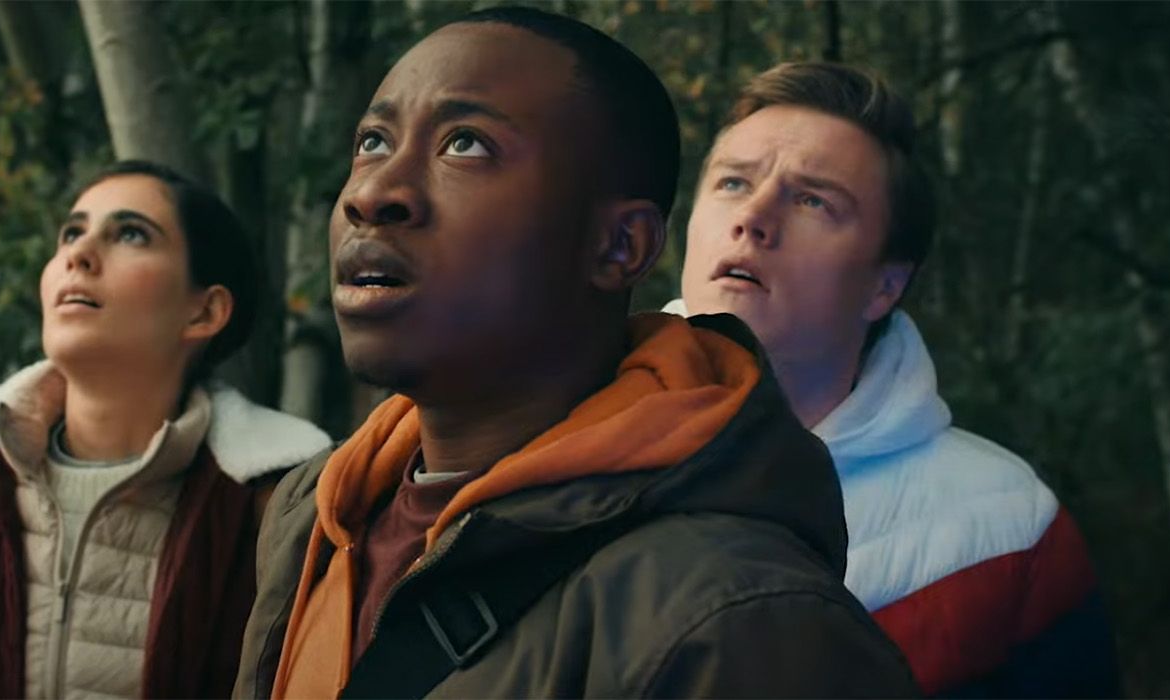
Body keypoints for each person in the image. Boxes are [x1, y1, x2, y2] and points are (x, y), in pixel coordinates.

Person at [235, 8, 916, 699]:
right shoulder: (314, 518)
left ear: (619, 247)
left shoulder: (743, 625)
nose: (373, 194)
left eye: (465, 145)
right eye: (373, 141)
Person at [666, 61, 1118, 696]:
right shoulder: (546, 439)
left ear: (885, 285)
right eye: (734, 183)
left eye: (812, 200)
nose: (754, 218)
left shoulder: (1008, 528)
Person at [0, 160, 333, 699]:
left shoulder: (282, 512)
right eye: (71, 232)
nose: (77, 255)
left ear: (204, 312)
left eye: (130, 233)